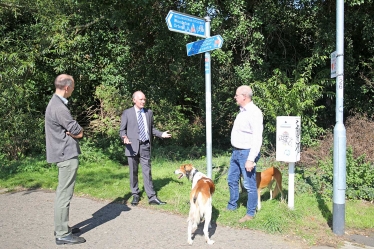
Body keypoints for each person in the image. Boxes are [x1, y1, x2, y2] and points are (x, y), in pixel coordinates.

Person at [45, 74, 86, 245]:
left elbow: (72, 130)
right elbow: (78, 131)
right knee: (64, 195)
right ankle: (62, 233)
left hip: (62, 154)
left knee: (63, 193)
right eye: (73, 87)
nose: (73, 90)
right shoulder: (60, 107)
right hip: (66, 155)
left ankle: (62, 227)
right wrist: (78, 132)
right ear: (67, 87)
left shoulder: (55, 103)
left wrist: (73, 131)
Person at [119, 91, 172, 206]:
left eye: (144, 99)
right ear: (134, 100)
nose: (143, 101)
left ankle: (152, 197)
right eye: (141, 99)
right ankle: (135, 194)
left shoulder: (149, 113)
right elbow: (122, 130)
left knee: (147, 172)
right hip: (131, 146)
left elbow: (151, 129)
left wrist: (161, 134)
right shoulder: (127, 113)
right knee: (133, 172)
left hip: (145, 146)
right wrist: (124, 138)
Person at [226, 85, 263, 223]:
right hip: (236, 151)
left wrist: (250, 159)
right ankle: (232, 206)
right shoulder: (242, 111)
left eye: (236, 95)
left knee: (249, 184)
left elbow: (257, 138)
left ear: (244, 96)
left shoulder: (254, 112)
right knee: (231, 179)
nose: (235, 97)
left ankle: (250, 213)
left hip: (246, 153)